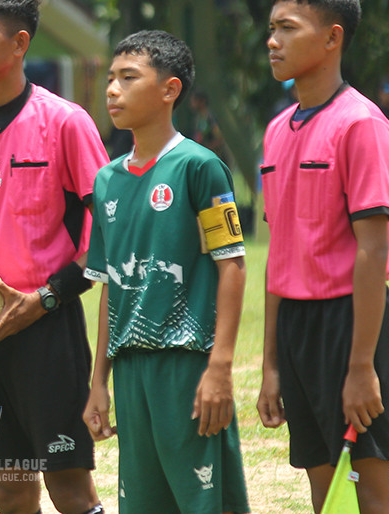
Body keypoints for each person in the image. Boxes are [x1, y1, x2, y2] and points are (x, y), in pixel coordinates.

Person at [0, 0, 108, 514]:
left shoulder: (66, 122)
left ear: (19, 44)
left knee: (68, 486)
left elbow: (107, 234)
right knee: (9, 486)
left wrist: (45, 299)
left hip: (47, 334)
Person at [82, 30, 250, 514]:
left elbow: (232, 266)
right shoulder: (107, 179)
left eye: (128, 78)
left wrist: (219, 367)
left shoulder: (201, 167)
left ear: (170, 89)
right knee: (142, 503)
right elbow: (111, 287)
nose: (112, 89)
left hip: (186, 363)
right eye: (111, 79)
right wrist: (99, 382)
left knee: (202, 502)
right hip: (130, 369)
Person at [257, 0, 389, 514]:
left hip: (349, 323)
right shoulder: (276, 131)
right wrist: (271, 362)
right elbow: (279, 253)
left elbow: (371, 251)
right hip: (296, 326)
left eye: (287, 28)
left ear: (332, 37)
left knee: (370, 485)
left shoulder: (361, 124)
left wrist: (361, 365)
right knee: (324, 484)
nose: (272, 41)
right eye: (270, 28)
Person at [188, 89, 228, 161]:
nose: (192, 103)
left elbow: (220, 139)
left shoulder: (210, 118)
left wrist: (206, 148)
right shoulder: (198, 119)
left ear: (202, 101)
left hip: (217, 158)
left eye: (194, 100)